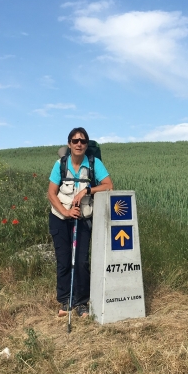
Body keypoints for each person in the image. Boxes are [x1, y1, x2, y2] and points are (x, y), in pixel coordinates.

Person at [47, 127, 113, 317]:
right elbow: (51, 193)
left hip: (83, 220)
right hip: (60, 218)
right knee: (64, 260)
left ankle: (82, 302)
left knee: (82, 261)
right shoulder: (60, 164)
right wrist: (66, 212)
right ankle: (65, 300)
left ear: (86, 145)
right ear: (69, 144)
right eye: (75, 141)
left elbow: (109, 185)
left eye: (82, 141)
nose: (79, 144)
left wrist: (87, 191)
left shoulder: (94, 163)